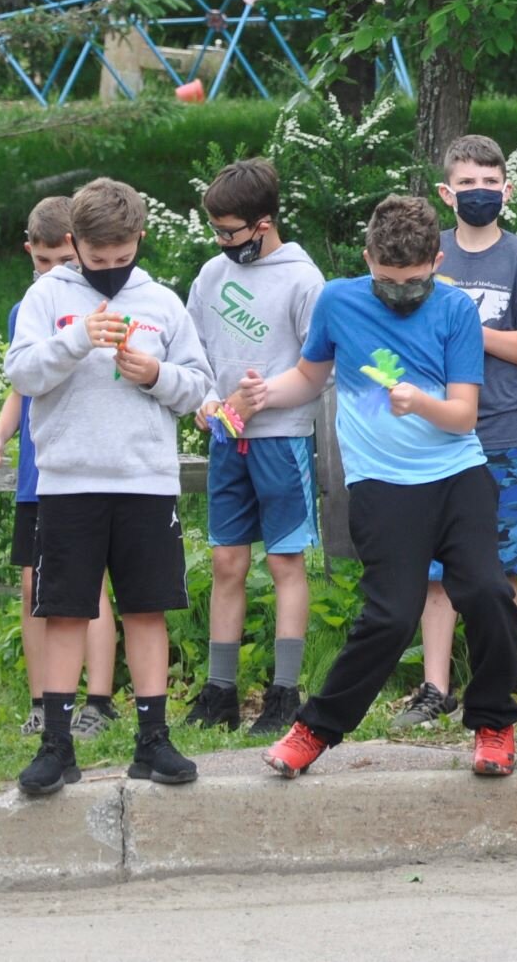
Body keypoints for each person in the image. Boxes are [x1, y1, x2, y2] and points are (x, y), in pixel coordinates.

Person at [259, 196, 517, 781]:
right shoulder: (337, 300)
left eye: (413, 279)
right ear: (367, 258)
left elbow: (462, 414)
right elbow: (308, 376)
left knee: (487, 593)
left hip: (457, 474)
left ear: (436, 259)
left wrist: (419, 401)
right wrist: (258, 395)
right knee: (390, 616)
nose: (400, 290)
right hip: (382, 485)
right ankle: (312, 730)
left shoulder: (455, 309)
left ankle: (493, 723)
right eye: (386, 279)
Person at [3, 177, 214, 798]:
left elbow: (199, 387)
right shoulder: (47, 296)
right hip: (69, 483)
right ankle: (57, 746)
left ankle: (153, 740)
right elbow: (20, 372)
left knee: (147, 608)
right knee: (67, 609)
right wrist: (75, 340)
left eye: (123, 258)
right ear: (75, 244)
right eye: (98, 261)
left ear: (139, 240)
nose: (112, 270)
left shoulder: (163, 302)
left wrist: (155, 374)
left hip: (146, 480)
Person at [390, 135, 517, 732]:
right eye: (468, 183)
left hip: (500, 429)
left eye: (490, 182)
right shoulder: (431, 254)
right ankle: (434, 687)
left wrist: (462, 321)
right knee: (436, 570)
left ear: (507, 188)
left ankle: (497, 682)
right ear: (445, 192)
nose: (480, 193)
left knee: (503, 569)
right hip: (434, 435)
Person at [182, 160, 327, 738]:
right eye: (215, 231)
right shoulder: (210, 276)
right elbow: (191, 355)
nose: (222, 242)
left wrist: (266, 396)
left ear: (264, 222)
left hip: (282, 439)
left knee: (284, 561)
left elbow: (318, 372)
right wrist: (204, 402)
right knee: (226, 561)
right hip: (227, 441)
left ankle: (285, 692)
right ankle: (220, 691)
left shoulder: (302, 280)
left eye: (230, 231)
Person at [0, 197, 123, 738]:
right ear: (29, 254)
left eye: (65, 262)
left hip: (85, 471)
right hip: (37, 477)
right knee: (34, 586)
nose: (54, 274)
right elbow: (22, 387)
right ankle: (43, 701)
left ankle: (100, 701)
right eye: (43, 263)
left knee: (91, 588)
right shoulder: (29, 309)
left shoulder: (106, 307)